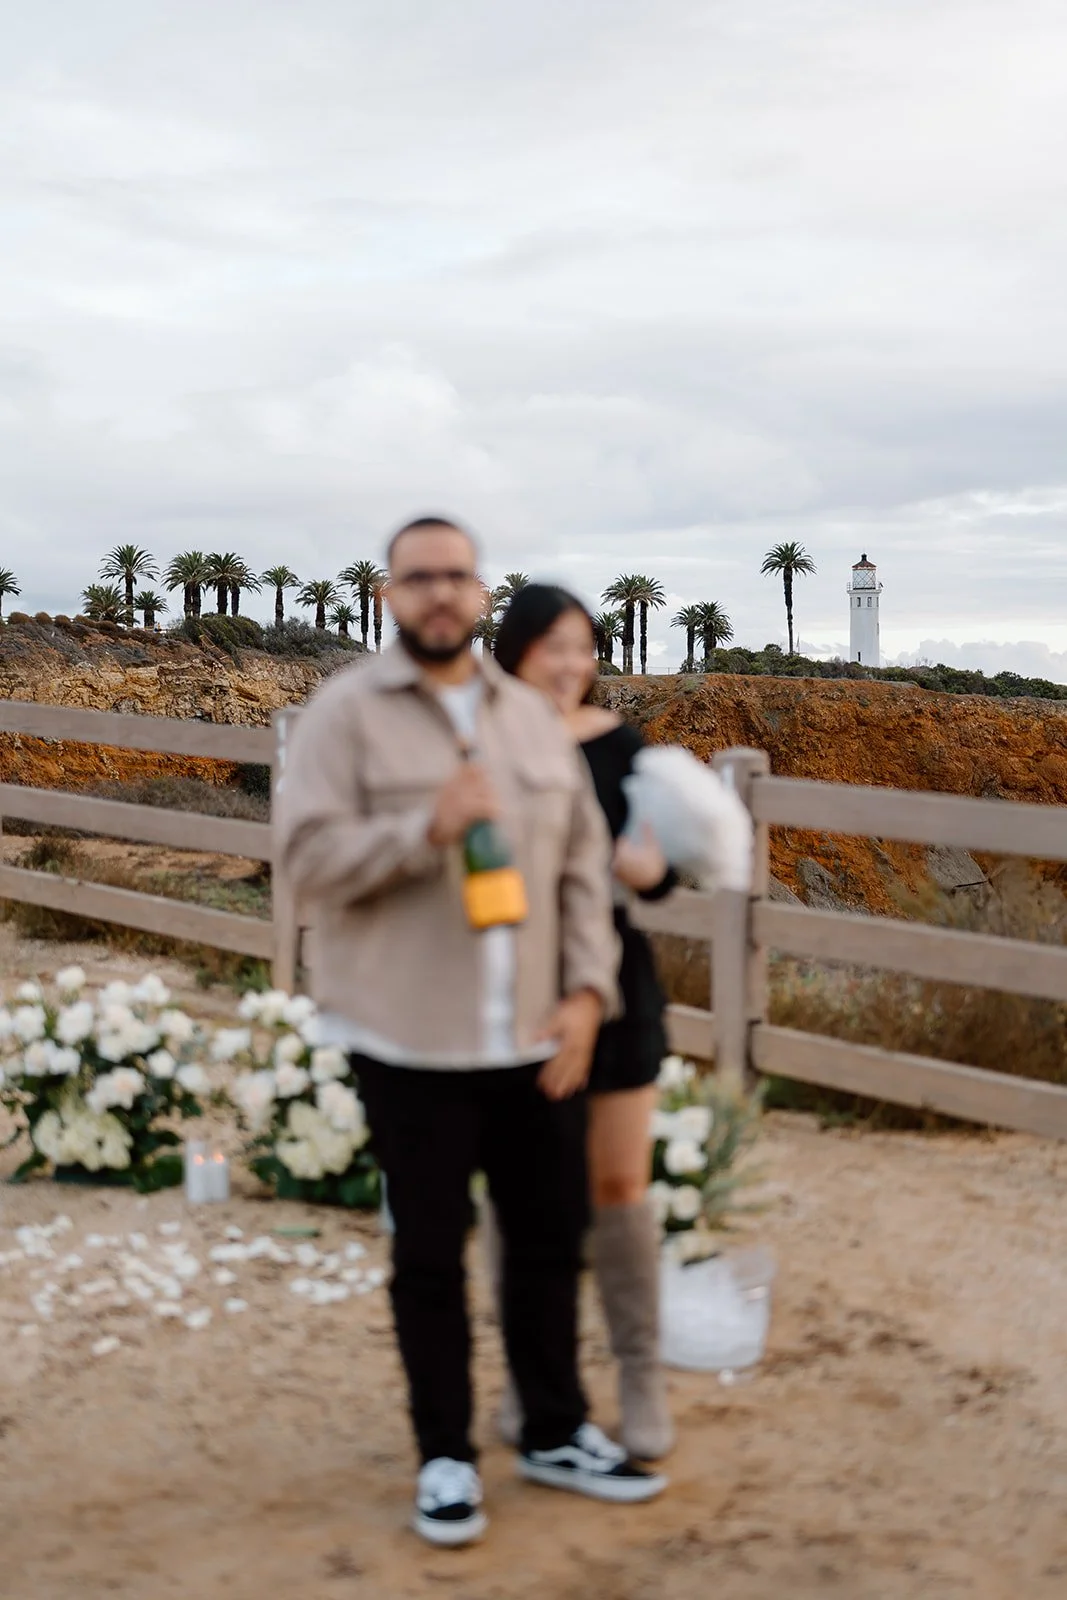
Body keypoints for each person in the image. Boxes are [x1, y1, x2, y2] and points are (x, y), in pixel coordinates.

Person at [276, 519, 666, 1548]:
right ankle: (443, 1454)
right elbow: (306, 859)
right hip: (411, 1044)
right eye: (419, 577)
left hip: (539, 1040)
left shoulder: (530, 719)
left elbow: (586, 869)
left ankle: (553, 1427)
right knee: (430, 1258)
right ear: (390, 593)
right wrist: (425, 829)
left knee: (545, 1243)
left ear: (480, 591)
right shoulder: (345, 713)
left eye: (456, 575)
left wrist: (588, 998)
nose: (440, 593)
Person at [493, 583, 677, 1460]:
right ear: (514, 652)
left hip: (618, 993)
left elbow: (662, 869)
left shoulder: (622, 747)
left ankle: (639, 1375)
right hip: (514, 989)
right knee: (522, 1197)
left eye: (582, 648)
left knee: (616, 1187)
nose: (569, 666)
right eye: (550, 648)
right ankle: (531, 1382)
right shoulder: (483, 740)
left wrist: (648, 872)